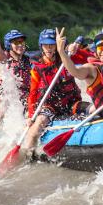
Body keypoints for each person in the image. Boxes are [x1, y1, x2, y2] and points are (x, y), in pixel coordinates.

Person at [22, 28, 85, 156]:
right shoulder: (37, 68)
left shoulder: (66, 58)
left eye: (52, 45)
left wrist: (74, 49)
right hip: (50, 106)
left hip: (71, 103)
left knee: (92, 109)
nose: (49, 48)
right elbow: (33, 93)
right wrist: (30, 116)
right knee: (35, 129)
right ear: (41, 46)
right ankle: (28, 156)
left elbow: (84, 56)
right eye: (46, 45)